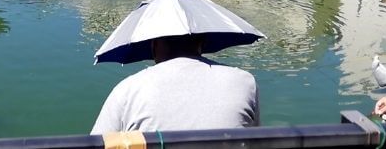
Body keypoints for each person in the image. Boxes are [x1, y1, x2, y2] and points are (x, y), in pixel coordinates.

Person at [90, 34, 259, 133]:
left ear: (154, 45)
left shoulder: (127, 90)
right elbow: (254, 139)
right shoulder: (243, 81)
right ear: (202, 43)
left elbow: (98, 143)